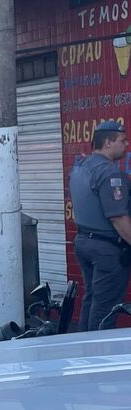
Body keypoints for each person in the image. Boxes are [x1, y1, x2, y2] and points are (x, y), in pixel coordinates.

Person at [70, 120, 131, 330]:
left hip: (83, 242)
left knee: (92, 299)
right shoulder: (109, 173)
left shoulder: (80, 167)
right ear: (108, 143)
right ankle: (99, 347)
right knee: (105, 308)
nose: (126, 144)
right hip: (106, 249)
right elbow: (118, 218)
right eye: (122, 140)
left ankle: (83, 345)